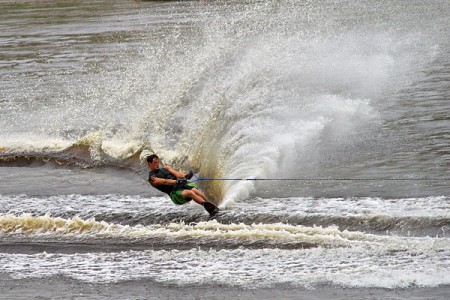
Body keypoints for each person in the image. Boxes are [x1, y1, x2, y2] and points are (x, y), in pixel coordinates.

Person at [146, 154, 219, 216]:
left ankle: (212, 207)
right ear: (149, 163)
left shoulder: (166, 168)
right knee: (190, 192)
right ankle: (205, 205)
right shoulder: (152, 178)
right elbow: (164, 181)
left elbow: (178, 174)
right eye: (155, 162)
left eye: (158, 162)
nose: (157, 164)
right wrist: (176, 181)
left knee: (195, 191)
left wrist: (185, 175)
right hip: (174, 193)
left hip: (181, 184)